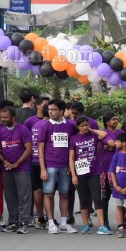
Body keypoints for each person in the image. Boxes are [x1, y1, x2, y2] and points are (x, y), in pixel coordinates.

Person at [37, 99, 78, 234]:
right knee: (48, 194)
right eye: (49, 109)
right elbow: (40, 148)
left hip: (65, 166)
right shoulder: (45, 126)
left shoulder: (70, 126)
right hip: (49, 165)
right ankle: (50, 223)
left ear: (61, 111)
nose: (51, 112)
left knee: (64, 194)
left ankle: (64, 223)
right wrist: (42, 168)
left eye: (54, 109)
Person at [68, 116, 110, 234]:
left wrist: (92, 130)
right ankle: (85, 224)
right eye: (82, 126)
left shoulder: (93, 135)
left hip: (94, 171)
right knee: (83, 199)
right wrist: (73, 175)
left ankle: (102, 226)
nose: (85, 127)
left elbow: (104, 135)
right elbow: (71, 158)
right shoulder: (73, 139)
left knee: (97, 197)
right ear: (78, 127)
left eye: (86, 125)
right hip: (80, 172)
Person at [0, 106, 32, 234]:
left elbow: (28, 149)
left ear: (14, 118)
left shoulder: (23, 130)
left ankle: (23, 223)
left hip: (22, 168)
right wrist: (4, 161)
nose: (3, 119)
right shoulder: (1, 131)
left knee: (24, 196)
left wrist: (17, 163)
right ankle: (13, 222)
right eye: (2, 117)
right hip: (6, 169)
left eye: (6, 117)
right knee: (10, 196)